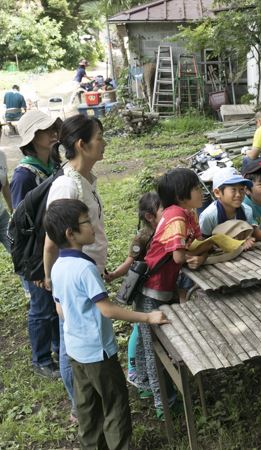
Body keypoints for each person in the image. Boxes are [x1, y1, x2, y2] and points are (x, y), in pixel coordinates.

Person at [44, 198, 168, 450]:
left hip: (75, 351)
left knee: (87, 405)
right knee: (115, 404)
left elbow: (60, 307)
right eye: (86, 222)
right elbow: (107, 310)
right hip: (98, 352)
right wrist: (148, 317)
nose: (92, 226)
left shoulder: (58, 267)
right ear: (71, 233)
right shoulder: (84, 268)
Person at [43, 115, 109, 422]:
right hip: (73, 279)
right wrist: (53, 285)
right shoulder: (66, 186)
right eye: (99, 137)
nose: (104, 142)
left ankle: (87, 400)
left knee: (83, 338)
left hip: (88, 274)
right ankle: (79, 407)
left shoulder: (86, 179)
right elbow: (51, 242)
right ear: (82, 145)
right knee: (72, 341)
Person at [136, 168, 212, 419]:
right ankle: (163, 404)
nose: (201, 191)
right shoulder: (176, 216)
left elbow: (195, 246)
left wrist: (199, 256)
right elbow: (180, 255)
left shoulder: (187, 214)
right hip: (151, 291)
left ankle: (154, 389)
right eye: (196, 187)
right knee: (152, 347)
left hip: (166, 289)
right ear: (181, 195)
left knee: (156, 344)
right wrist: (195, 256)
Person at [9, 110, 62, 379]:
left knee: (54, 304)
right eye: (45, 129)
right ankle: (41, 359)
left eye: (54, 126)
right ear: (32, 138)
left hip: (53, 246)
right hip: (34, 253)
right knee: (41, 309)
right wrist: (38, 267)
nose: (53, 131)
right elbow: (21, 223)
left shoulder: (52, 162)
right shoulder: (23, 176)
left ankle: (56, 347)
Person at [104, 192, 163, 387]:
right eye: (162, 209)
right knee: (139, 330)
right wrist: (113, 274)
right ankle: (134, 371)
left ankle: (142, 373)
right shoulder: (143, 236)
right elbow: (130, 263)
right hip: (141, 288)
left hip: (155, 287)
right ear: (149, 216)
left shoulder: (165, 229)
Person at [200, 167, 256, 248]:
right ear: (217, 193)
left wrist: (248, 240)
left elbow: (248, 235)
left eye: (241, 189)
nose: (238, 195)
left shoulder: (247, 211)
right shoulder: (208, 216)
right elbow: (204, 242)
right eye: (233, 190)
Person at [0, 150, 13, 252]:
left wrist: (12, 209)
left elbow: (5, 185)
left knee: (16, 249)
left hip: (2, 215)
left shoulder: (1, 155)